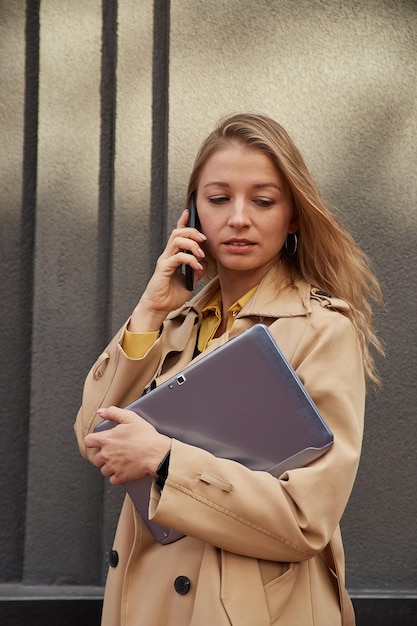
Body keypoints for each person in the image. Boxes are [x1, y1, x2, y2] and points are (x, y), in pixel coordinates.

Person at [74, 113, 383, 626]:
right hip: (149, 602)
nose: (238, 218)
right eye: (218, 199)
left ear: (293, 217)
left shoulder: (322, 328)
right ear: (192, 214)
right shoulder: (173, 322)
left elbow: (307, 519)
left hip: (248, 605)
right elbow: (93, 436)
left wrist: (165, 458)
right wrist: (150, 309)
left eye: (263, 201)